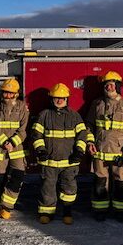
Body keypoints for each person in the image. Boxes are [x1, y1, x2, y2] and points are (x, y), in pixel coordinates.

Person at [85, 71, 123, 222]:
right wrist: (90, 142)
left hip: (120, 154)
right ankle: (100, 211)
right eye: (106, 84)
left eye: (112, 84)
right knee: (100, 183)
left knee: (121, 183)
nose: (109, 87)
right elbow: (89, 125)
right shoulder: (97, 104)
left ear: (117, 86)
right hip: (100, 153)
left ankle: (121, 212)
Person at [32, 83, 89, 225]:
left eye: (62, 98)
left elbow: (82, 135)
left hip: (69, 162)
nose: (59, 100)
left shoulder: (74, 116)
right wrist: (41, 150)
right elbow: (36, 135)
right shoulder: (44, 115)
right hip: (49, 161)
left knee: (69, 188)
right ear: (51, 99)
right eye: (56, 98)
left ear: (67, 99)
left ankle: (67, 212)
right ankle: (46, 213)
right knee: (48, 188)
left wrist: (79, 151)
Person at [0, 78, 29, 219]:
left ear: (16, 94)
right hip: (0, 148)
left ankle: (7, 206)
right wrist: (4, 141)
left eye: (10, 93)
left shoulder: (22, 107)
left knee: (18, 176)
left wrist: (12, 142)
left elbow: (23, 129)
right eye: (5, 92)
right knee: (0, 178)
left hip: (16, 149)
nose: (7, 95)